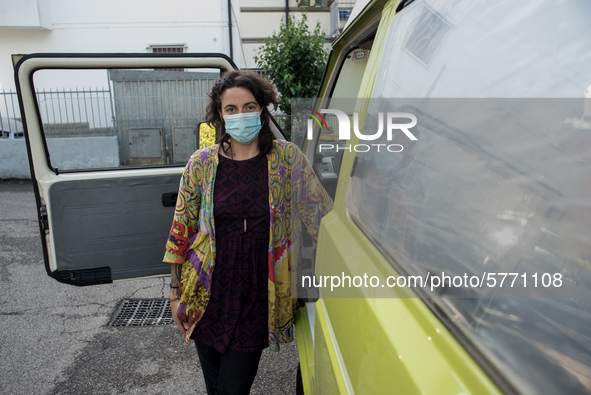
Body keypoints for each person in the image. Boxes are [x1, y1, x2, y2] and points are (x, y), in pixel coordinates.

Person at [163, 70, 333, 395]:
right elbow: (180, 232)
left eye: (249, 106)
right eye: (231, 109)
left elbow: (321, 217)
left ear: (263, 109)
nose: (241, 115)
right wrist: (175, 294)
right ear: (220, 115)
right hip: (205, 293)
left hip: (258, 294)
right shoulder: (201, 164)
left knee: (232, 388)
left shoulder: (286, 159)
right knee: (216, 389)